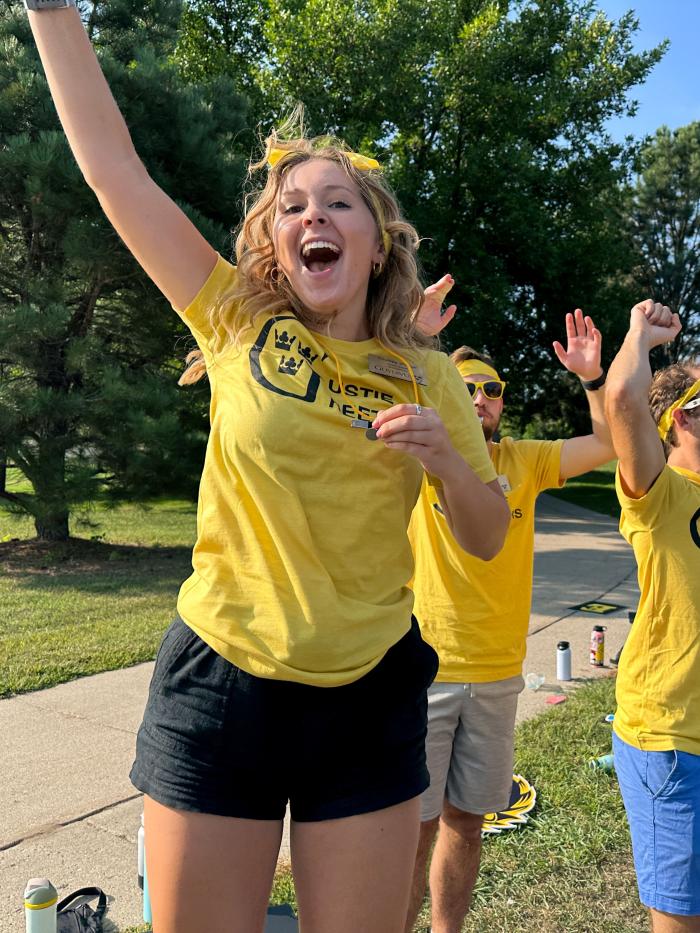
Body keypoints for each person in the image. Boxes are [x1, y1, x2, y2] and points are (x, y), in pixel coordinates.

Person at [26, 5, 511, 932]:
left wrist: (449, 460)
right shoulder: (236, 320)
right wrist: (51, 12)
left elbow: (485, 536)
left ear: (377, 242)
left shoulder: (430, 376)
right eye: (292, 207)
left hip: (367, 698)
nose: (312, 217)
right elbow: (113, 170)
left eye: (337, 203)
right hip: (221, 686)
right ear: (277, 245)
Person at [405, 306, 617, 933]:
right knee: (411, 831)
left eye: (491, 390)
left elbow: (608, 443)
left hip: (498, 675)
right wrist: (414, 347)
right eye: (464, 387)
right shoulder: (416, 457)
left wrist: (592, 379)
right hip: (424, 674)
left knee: (466, 824)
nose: (479, 398)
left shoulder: (523, 462)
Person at [605, 300, 700, 933]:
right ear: (673, 421)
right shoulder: (659, 491)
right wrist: (640, 337)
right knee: (678, 916)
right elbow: (621, 402)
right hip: (669, 732)